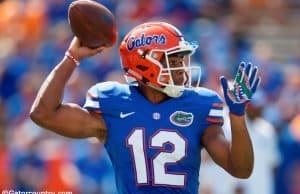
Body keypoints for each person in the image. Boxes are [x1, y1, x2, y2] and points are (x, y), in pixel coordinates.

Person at [30, 22, 261, 194]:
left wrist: (237, 116)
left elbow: (240, 169)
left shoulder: (200, 105)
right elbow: (43, 114)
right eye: (174, 60)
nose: (182, 68)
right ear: (145, 63)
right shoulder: (113, 104)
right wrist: (72, 57)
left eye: (182, 60)